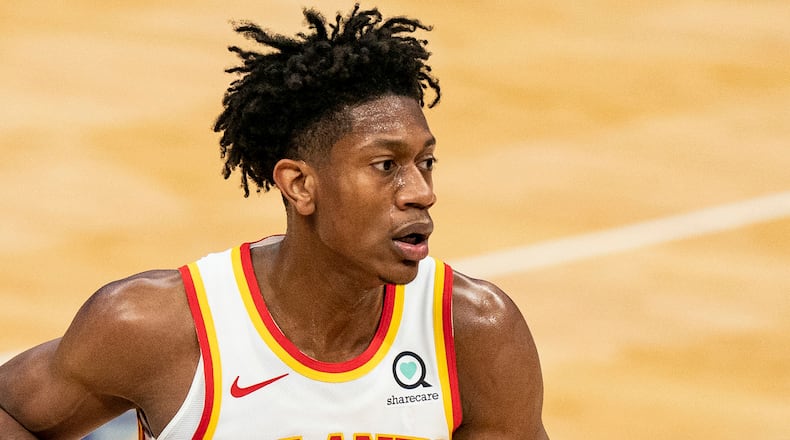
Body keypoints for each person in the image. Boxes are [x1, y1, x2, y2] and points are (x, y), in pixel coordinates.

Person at [0, 5, 548, 439]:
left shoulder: (475, 330)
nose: (422, 192)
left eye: (425, 162)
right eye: (386, 166)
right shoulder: (156, 327)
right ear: (300, 185)